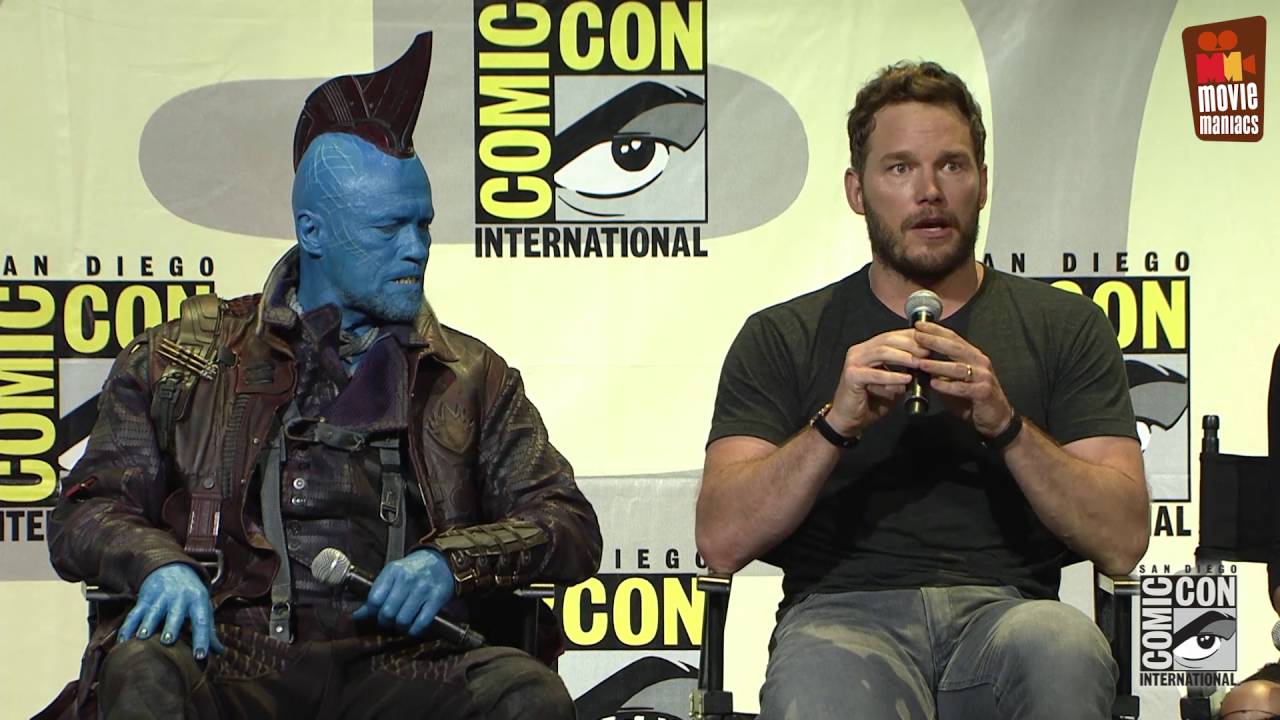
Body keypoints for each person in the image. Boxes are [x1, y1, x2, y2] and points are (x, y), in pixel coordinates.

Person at [42, 32, 601, 720]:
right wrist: (157, 562)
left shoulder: (471, 376)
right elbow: (86, 509)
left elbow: (567, 522)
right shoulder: (180, 359)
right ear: (313, 232)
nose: (417, 250)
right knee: (144, 671)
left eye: (424, 225)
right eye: (389, 229)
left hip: (403, 661)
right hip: (231, 650)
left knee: (525, 694)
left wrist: (451, 561)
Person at [695, 60, 1149, 719]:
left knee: (1064, 645)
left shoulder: (1066, 326)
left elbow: (1124, 540)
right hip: (840, 616)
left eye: (952, 166)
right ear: (857, 191)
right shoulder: (784, 335)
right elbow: (721, 539)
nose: (929, 192)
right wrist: (834, 424)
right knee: (820, 686)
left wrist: (1005, 424)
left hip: (1010, 614)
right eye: (900, 168)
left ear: (982, 183)